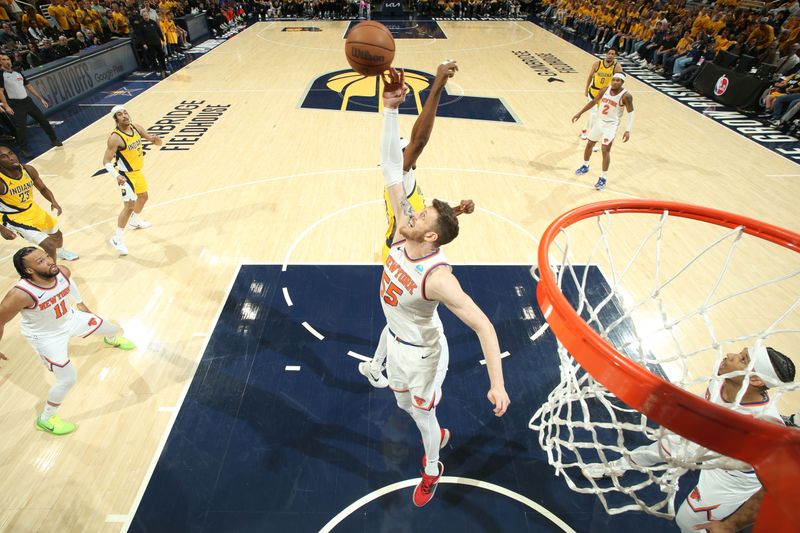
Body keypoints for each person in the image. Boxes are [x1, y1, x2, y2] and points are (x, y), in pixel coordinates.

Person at [374, 67, 510, 508]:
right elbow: (391, 165)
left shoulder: (439, 278)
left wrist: (497, 384)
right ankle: (429, 422)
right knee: (403, 408)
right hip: (396, 342)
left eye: (419, 218)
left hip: (424, 355)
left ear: (429, 237)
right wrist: (389, 110)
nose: (409, 215)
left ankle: (432, 467)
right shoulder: (401, 234)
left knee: (422, 412)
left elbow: (484, 326)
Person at [584, 346, 795, 533]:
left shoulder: (768, 424)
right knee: (658, 449)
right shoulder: (722, 377)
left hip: (732, 477)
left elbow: (775, 487)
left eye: (742, 359)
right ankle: (617, 466)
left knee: (687, 521)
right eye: (739, 353)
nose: (730, 355)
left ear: (756, 379)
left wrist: (729, 526)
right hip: (707, 440)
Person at [357, 59, 461, 388]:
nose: (409, 150)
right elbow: (419, 140)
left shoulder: (406, 180)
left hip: (405, 243)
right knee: (405, 317)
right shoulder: (401, 174)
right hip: (403, 248)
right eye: (405, 150)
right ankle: (389, 367)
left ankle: (375, 365)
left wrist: (457, 210)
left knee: (398, 316)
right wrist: (437, 87)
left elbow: (430, 222)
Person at [0, 246, 135, 435]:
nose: (49, 260)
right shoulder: (20, 294)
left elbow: (68, 282)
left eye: (46, 256)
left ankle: (110, 339)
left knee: (115, 328)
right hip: (46, 336)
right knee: (67, 379)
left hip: (70, 318)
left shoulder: (62, 271)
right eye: (40, 261)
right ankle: (45, 419)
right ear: (29, 270)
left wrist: (79, 302)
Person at [0, 145, 78, 261]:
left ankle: (61, 253)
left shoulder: (28, 169)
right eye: (4, 157)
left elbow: (43, 189)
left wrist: (53, 201)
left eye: (11, 153)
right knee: (49, 246)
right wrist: (2, 229)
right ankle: (51, 273)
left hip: (32, 209)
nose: (11, 158)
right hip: (14, 218)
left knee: (57, 235)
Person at [102, 105, 162, 255]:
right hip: (126, 175)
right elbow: (106, 161)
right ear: (116, 119)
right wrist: (117, 175)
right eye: (120, 115)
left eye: (125, 113)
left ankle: (135, 221)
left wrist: (156, 140)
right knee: (129, 206)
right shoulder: (115, 138)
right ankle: (117, 238)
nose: (124, 116)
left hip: (137, 172)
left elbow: (153, 141)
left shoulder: (136, 128)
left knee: (143, 197)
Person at [572, 72, 635, 190]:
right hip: (600, 122)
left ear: (622, 82)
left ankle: (603, 178)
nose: (615, 82)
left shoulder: (626, 96)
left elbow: (631, 113)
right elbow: (593, 102)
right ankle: (585, 166)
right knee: (589, 144)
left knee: (605, 150)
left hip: (611, 125)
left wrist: (628, 130)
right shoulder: (605, 90)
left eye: (618, 80)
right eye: (614, 79)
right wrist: (579, 113)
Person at [0, 54, 62, 158]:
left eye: (8, 59)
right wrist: (6, 105)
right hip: (15, 104)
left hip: (27, 102)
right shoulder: (1, 75)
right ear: (0, 62)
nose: (7, 61)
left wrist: (40, 98)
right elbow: (0, 91)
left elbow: (28, 86)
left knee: (43, 120)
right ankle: (24, 149)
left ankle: (54, 139)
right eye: (4, 60)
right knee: (21, 128)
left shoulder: (18, 72)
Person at [580, 47, 623, 140]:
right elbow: (590, 77)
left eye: (612, 54)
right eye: (609, 53)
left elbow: (620, 81)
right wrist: (586, 89)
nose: (610, 55)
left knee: (596, 115)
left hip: (605, 93)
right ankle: (591, 136)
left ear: (615, 56)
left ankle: (584, 129)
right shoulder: (597, 64)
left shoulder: (617, 67)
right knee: (594, 113)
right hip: (594, 91)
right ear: (606, 54)